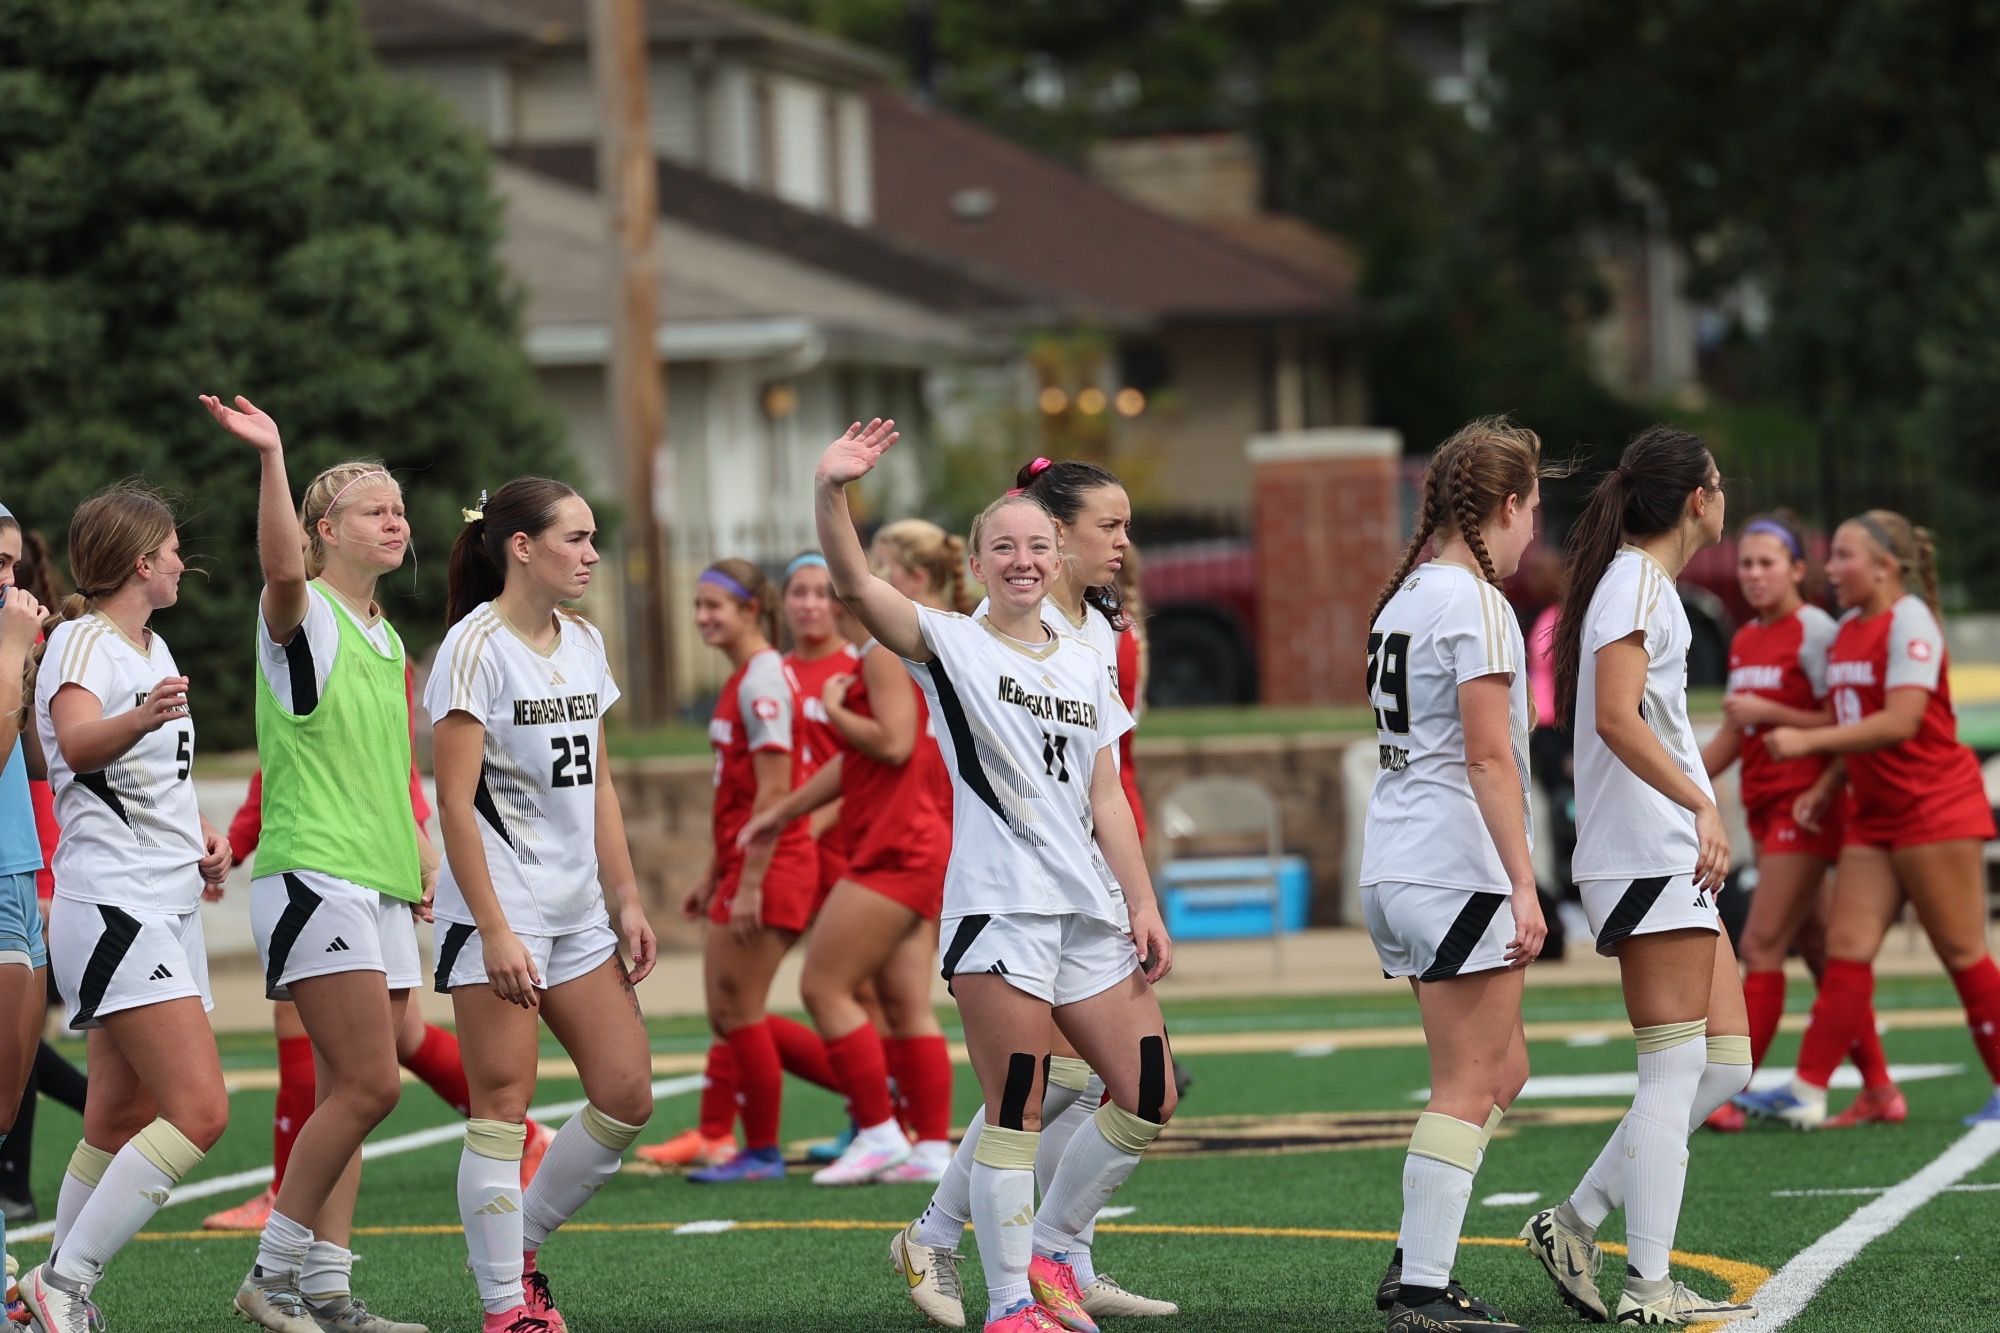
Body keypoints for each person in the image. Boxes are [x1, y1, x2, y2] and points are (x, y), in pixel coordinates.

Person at [821, 420, 1176, 1333]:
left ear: (1055, 555)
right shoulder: (952, 645)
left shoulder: (1088, 658)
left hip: (1091, 912)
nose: (1023, 560)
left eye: (1036, 546)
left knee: (1148, 1091)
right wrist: (834, 490)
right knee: (1018, 1110)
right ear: (976, 563)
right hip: (1001, 913)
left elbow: (1108, 797)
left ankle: (1051, 1253)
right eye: (1003, 547)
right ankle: (1016, 1303)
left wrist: (1140, 900)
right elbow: (858, 584)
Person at [203, 393, 434, 1333]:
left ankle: (329, 1293)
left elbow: (390, 768)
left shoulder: (386, 638)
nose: (397, 520)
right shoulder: (306, 614)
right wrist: (272, 458)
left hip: (375, 881)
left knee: (353, 1093)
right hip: (313, 877)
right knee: (374, 1084)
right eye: (375, 509)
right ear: (323, 532)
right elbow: (276, 566)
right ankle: (272, 1271)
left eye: (399, 509)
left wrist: (416, 856)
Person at [1518, 427, 1756, 1327]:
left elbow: (1638, 717)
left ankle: (1574, 1222)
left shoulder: (1647, 586)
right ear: (1697, 498)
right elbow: (1617, 719)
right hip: (1646, 849)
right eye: (1720, 484)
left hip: (1664, 851)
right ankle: (1648, 1287)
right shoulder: (1634, 583)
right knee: (1673, 1070)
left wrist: (1696, 804)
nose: (1724, 497)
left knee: (1724, 1062)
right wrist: (1701, 802)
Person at [428, 478, 657, 1333]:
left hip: (577, 914)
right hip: (502, 912)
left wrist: (625, 896)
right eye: (576, 537)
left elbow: (596, 782)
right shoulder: (472, 646)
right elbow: (453, 802)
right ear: (520, 546)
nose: (592, 553)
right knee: (500, 1104)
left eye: (593, 537)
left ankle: (515, 1246)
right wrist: (491, 928)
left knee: (627, 1092)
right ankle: (503, 1308)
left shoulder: (585, 641)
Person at [16, 488, 235, 1333]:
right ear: (142, 561)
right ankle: (62, 1282)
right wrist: (140, 717)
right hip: (115, 908)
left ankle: (47, 1297)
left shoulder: (152, 641)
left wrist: (203, 837)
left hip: (160, 902)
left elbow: (147, 783)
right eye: (175, 548)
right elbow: (74, 744)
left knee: (117, 1114)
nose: (185, 560)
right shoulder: (82, 640)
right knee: (202, 1110)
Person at [200, 752, 554, 1233]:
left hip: (359, 846)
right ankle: (528, 1138)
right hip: (369, 837)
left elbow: (366, 755)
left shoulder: (370, 677)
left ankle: (284, 1220)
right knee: (395, 1044)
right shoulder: (360, 676)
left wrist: (416, 853)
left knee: (348, 1063)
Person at [1360, 420, 1546, 1333]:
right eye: (1535, 509)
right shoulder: (1474, 604)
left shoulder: (1407, 596)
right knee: (1467, 1081)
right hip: (1450, 861)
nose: (1535, 531)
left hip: (1399, 857)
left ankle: (1416, 1256)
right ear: (1507, 507)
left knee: (1505, 1066)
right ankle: (1424, 1289)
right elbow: (1486, 757)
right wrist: (1525, 879)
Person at [1737, 511, 2000, 1127]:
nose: (1831, 569)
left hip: (1933, 807)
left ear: (1885, 565)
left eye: (1844, 556)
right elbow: (1857, 723)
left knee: (1962, 953)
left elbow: (1902, 720)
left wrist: (1808, 748)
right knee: (1847, 952)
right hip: (1873, 813)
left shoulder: (1910, 621)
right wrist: (1830, 783)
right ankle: (1808, 1087)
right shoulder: (1849, 627)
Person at [737, 522, 965, 1187]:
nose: (855, 580)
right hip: (923, 835)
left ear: (913, 579)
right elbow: (866, 761)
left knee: (823, 985)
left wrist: (835, 707)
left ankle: (877, 1129)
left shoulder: (885, 648)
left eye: (880, 565)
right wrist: (786, 809)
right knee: (905, 1003)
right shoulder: (940, 635)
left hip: (897, 842)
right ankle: (927, 1145)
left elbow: (890, 742)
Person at [1699, 513, 1902, 1131]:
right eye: (1746, 564)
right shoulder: (1745, 638)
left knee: (1761, 945)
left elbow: (1844, 719)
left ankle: (1727, 1093)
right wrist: (1674, 784)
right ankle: (1880, 1089)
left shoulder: (1815, 630)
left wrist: (1773, 713)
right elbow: (1740, 729)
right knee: (1817, 950)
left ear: (1796, 569)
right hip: (1766, 806)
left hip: (1804, 806)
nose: (1754, 575)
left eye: (1768, 563)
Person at [672, 558, 824, 1184]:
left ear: (751, 610)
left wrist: (751, 881)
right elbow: (735, 795)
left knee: (741, 1011)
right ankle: (868, 1089)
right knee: (731, 1013)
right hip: (744, 862)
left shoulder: (763, 679)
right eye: (699, 605)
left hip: (774, 865)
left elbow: (773, 793)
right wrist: (714, 872)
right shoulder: (746, 677)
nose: (703, 616)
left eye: (716, 606)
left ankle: (761, 1150)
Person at [0, 502, 50, 1319]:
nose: (8, 580)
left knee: (4, 1111)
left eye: (12, 563)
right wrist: (12, 653)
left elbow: (36, 758)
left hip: (17, 874)